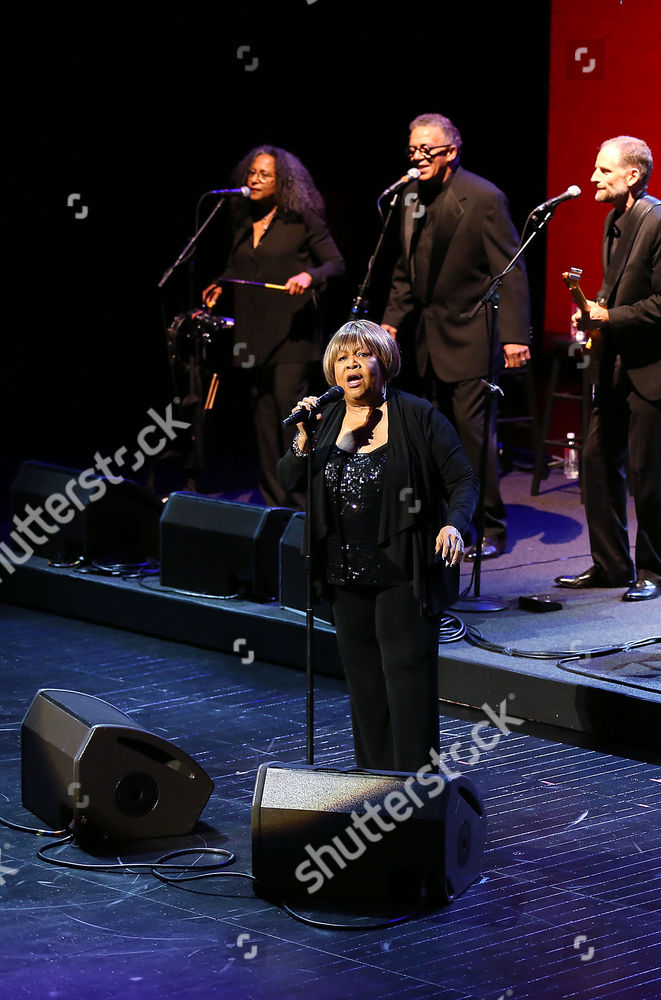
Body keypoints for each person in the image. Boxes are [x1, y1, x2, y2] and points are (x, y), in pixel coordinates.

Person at [278, 321, 478, 772]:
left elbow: (462, 479)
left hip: (402, 573)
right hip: (344, 571)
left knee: (407, 682)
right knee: (365, 685)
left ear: (382, 362)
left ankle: (414, 789)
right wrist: (304, 438)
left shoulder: (417, 415)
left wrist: (455, 525)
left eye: (362, 355)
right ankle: (372, 781)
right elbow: (288, 479)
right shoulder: (324, 419)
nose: (352, 364)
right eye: (343, 357)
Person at [555, 136, 661, 601]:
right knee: (596, 460)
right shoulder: (615, 220)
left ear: (632, 175)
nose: (593, 179)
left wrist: (609, 316)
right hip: (618, 361)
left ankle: (653, 571)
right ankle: (611, 564)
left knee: (647, 469)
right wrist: (591, 308)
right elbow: (616, 288)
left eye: (604, 171)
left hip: (657, 364)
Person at [380, 113, 530, 559]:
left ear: (451, 151)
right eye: (413, 149)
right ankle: (445, 524)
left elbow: (511, 269)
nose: (419, 157)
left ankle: (490, 528)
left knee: (473, 438)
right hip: (427, 340)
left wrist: (513, 336)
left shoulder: (483, 197)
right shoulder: (408, 197)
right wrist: (391, 321)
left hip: (472, 336)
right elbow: (406, 270)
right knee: (431, 437)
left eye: (428, 149)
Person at [202, 146, 344, 507]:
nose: (255, 180)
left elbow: (335, 264)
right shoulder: (242, 219)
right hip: (252, 336)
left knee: (288, 417)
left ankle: (304, 503)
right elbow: (243, 268)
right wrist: (222, 282)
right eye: (251, 173)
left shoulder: (301, 219)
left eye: (264, 175)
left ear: (284, 182)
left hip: (292, 337)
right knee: (263, 420)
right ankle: (275, 500)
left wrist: (309, 276)